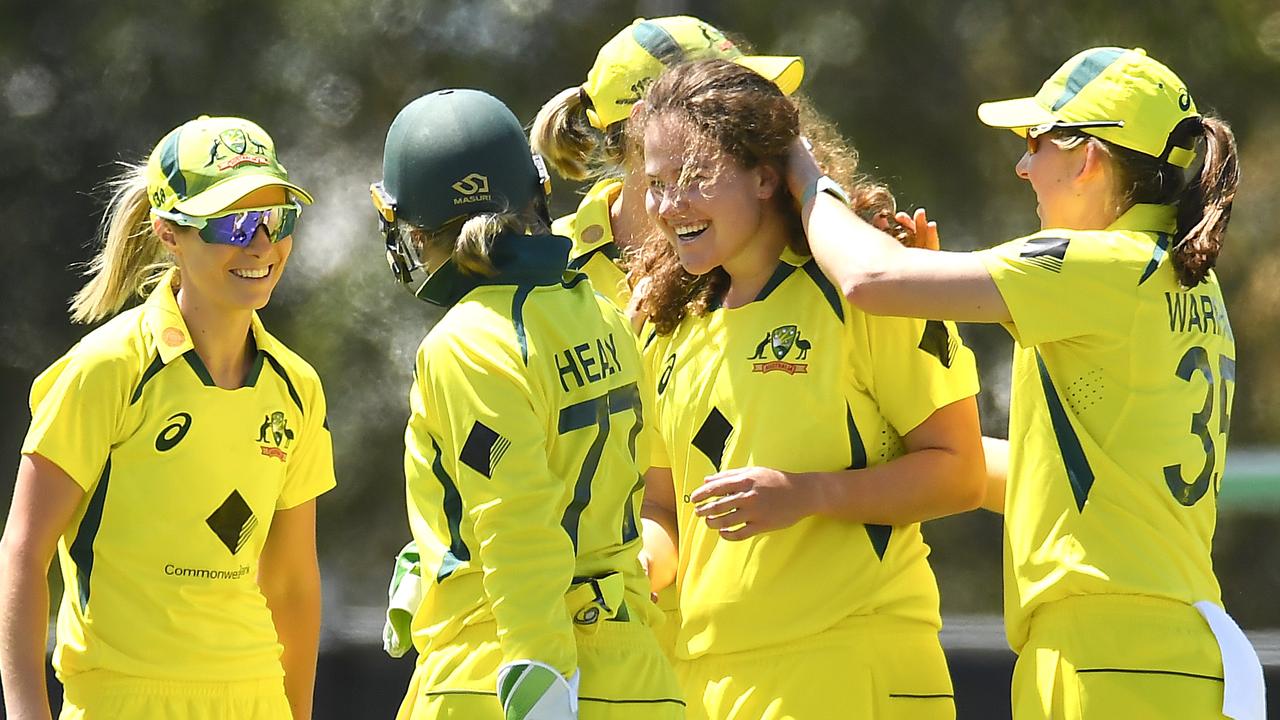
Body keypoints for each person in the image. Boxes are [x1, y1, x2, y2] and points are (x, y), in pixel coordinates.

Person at [788, 47, 1261, 719]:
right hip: (1155, 653)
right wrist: (914, 455)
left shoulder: (1098, 263)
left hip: (1106, 659)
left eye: (1035, 143)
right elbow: (1061, 481)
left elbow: (871, 279)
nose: (1022, 165)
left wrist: (807, 178)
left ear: (1088, 157)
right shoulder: (1187, 279)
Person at [632, 59, 987, 720]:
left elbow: (959, 473)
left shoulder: (869, 293)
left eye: (692, 178)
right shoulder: (666, 328)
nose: (667, 205)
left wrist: (811, 494)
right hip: (706, 682)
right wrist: (634, 573)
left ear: (766, 175)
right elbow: (664, 507)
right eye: (655, 184)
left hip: (851, 665)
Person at [0, 116, 334, 720]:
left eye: (276, 218)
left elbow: (290, 583)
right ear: (169, 232)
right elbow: (24, 550)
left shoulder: (298, 387)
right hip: (121, 700)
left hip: (255, 699)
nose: (260, 244)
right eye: (233, 222)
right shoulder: (105, 370)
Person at [371, 88, 683, 719]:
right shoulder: (603, 313)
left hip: (497, 671)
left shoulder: (466, 341)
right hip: (636, 674)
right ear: (535, 192)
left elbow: (515, 520)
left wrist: (542, 669)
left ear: (412, 226)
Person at [528, 14, 804, 662]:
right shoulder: (547, 267)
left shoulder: (759, 258)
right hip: (585, 640)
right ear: (636, 137)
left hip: (734, 642)